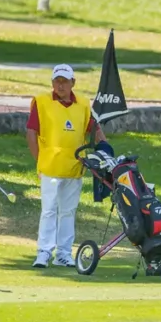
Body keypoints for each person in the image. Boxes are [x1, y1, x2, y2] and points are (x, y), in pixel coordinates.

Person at [26, 64, 106, 268]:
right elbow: (31, 132)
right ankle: (44, 252)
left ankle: (63, 253)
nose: (60, 85)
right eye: (57, 81)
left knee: (68, 212)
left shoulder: (83, 104)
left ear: (73, 82)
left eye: (64, 81)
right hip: (50, 167)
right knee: (49, 211)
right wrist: (39, 160)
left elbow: (94, 129)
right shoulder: (42, 102)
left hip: (74, 167)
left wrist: (105, 149)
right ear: (52, 82)